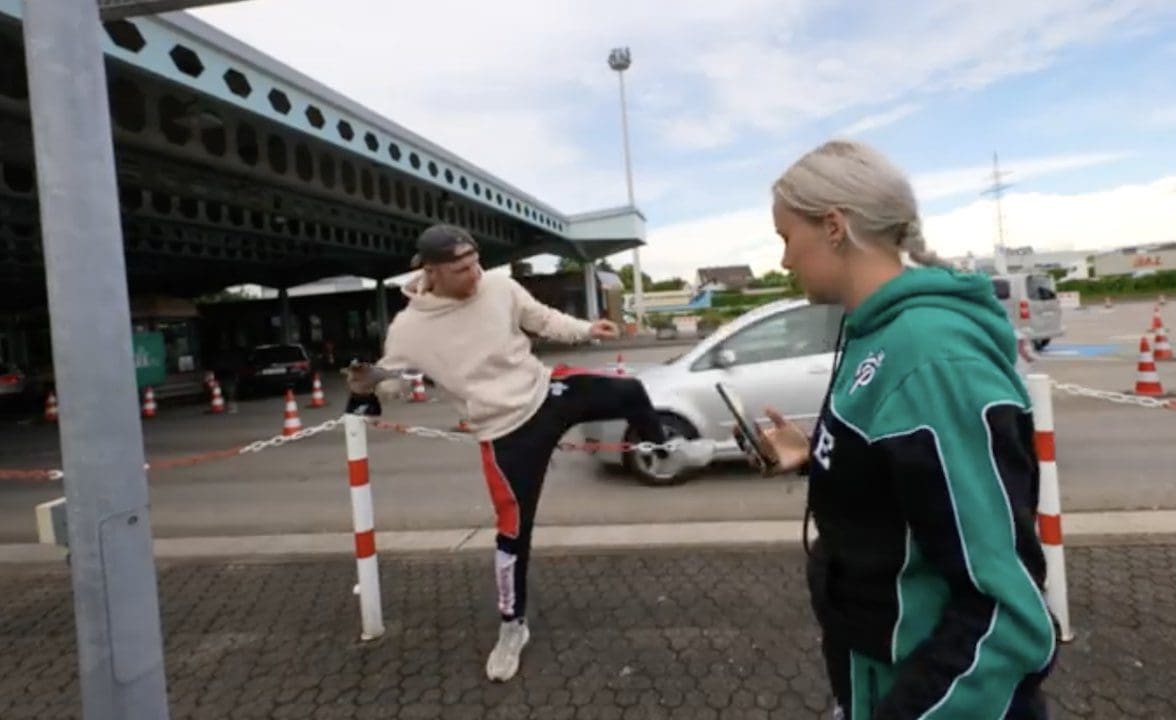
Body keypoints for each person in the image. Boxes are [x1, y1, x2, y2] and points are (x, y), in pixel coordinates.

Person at [754, 140, 1058, 719]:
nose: (785, 261)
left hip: (933, 692)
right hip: (874, 669)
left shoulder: (930, 355)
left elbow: (1004, 614)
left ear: (834, 227)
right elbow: (907, 490)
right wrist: (814, 457)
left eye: (786, 238)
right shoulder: (872, 332)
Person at [345, 224, 713, 683]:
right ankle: (512, 627)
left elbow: (541, 319)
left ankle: (665, 448)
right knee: (512, 539)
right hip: (505, 432)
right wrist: (372, 383)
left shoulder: (498, 286)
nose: (475, 274)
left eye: (477, 262)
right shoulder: (409, 330)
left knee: (631, 390)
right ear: (432, 272)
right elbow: (396, 383)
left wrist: (586, 330)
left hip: (547, 392)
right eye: (461, 269)